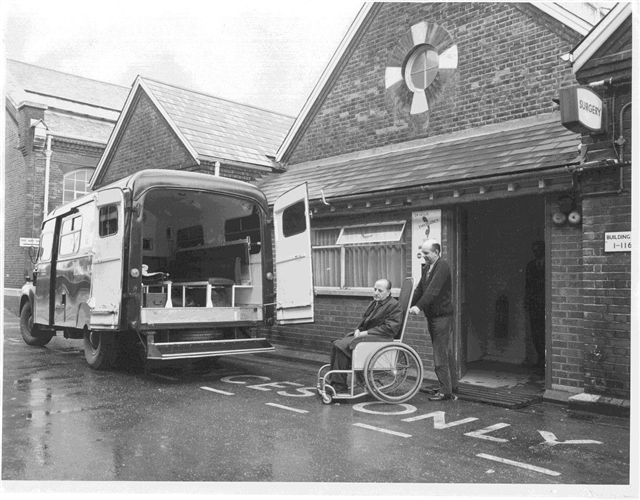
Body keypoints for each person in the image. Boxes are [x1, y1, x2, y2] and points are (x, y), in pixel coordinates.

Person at [328, 278, 403, 391]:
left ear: (388, 292)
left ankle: (338, 385)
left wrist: (365, 332)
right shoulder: (375, 303)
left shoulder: (394, 305)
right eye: (375, 289)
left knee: (341, 347)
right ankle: (335, 383)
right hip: (368, 337)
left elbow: (390, 328)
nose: (376, 293)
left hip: (379, 339)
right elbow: (365, 320)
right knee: (337, 344)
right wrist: (358, 329)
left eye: (380, 291)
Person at [409, 239, 458, 401]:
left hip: (442, 317)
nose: (423, 256)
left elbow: (433, 290)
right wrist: (405, 304)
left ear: (436, 253)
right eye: (422, 253)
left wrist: (418, 307)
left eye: (426, 253)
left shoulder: (442, 266)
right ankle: (451, 386)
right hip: (434, 317)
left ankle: (445, 392)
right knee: (445, 351)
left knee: (439, 353)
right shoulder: (427, 268)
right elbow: (419, 290)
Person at [525, 240, 545, 371]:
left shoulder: (549, 264)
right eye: (534, 250)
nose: (536, 252)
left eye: (538, 250)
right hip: (534, 305)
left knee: (544, 333)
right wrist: (527, 301)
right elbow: (527, 285)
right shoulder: (530, 265)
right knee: (535, 333)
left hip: (545, 305)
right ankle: (540, 359)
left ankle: (545, 362)